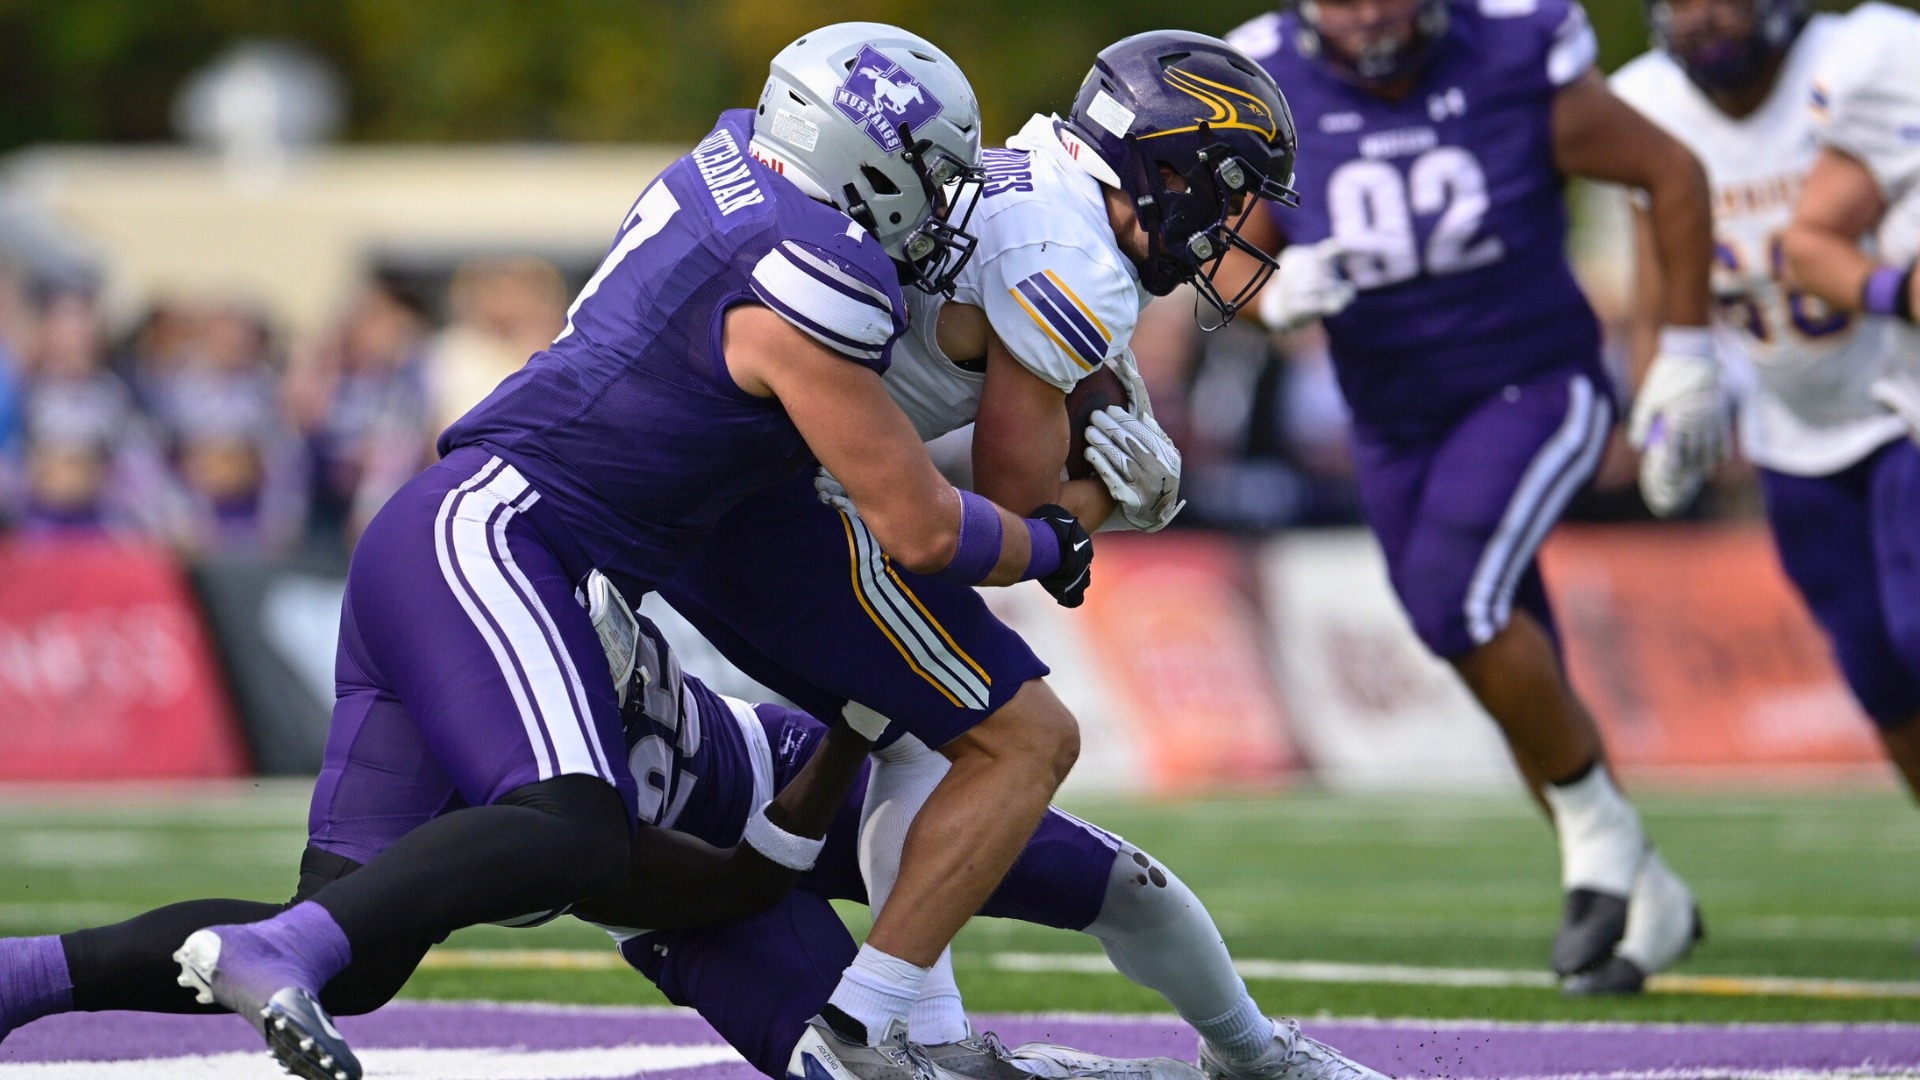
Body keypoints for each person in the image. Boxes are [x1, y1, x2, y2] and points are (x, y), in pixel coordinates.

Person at [0, 24, 1102, 1080]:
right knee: (566, 822)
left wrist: (796, 811)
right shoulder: (805, 266)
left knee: (362, 941)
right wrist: (1058, 532)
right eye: (935, 170)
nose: (945, 203)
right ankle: (276, 955)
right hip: (499, 532)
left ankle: (24, 977)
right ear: (869, 159)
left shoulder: (733, 182)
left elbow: (712, 882)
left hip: (439, 535)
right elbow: (918, 524)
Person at [0, 586, 1388, 1080]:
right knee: (356, 958)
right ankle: (34, 974)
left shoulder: (566, 573)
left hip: (771, 768)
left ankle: (1255, 1050)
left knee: (1129, 889)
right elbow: (692, 876)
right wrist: (844, 738)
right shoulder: (483, 756)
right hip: (699, 876)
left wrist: (851, 723)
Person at [654, 29, 1305, 1071]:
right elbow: (1006, 526)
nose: (1232, 223)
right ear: (1166, 168)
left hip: (740, 462)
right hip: (769, 493)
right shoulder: (1072, 255)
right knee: (1023, 736)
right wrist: (1115, 500)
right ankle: (870, 1023)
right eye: (1226, 190)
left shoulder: (1040, 167)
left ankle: (930, 1032)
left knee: (920, 731)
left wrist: (1098, 407)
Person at [1220, 0, 1715, 991]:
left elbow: (1672, 172)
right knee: (1485, 639)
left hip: (1534, 382)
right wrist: (1273, 294)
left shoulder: (1514, 51)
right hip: (1392, 418)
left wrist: (1683, 353)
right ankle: (1645, 889)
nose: (1366, 17)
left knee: (1457, 598)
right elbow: (1218, 245)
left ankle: (1603, 847)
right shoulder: (1265, 78)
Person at [1760, 3, 1920, 799]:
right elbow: (1811, 242)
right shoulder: (1888, 57)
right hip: (1891, 417)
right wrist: (1899, 288)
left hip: (1884, 428)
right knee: (1896, 655)